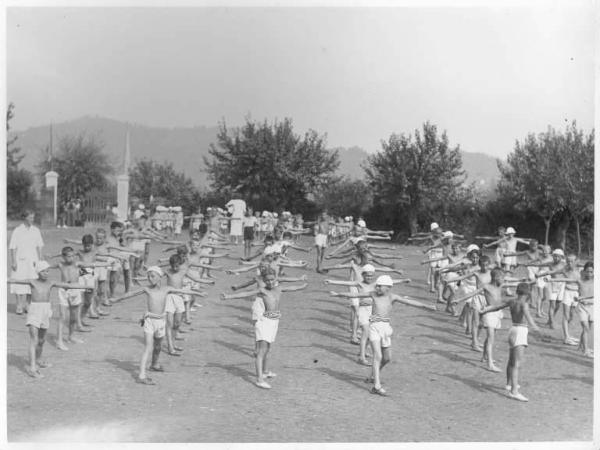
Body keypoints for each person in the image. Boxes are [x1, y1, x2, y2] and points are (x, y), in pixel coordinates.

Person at [330, 275, 435, 396]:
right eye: (377, 286)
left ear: (388, 287)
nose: (377, 288)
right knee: (377, 356)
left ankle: (372, 376)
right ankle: (377, 386)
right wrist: (338, 294)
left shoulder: (392, 297)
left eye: (380, 286)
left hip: (385, 328)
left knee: (387, 358)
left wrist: (427, 306)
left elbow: (409, 302)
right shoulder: (373, 294)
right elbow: (355, 295)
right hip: (374, 326)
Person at [112, 266, 205, 384]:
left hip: (161, 321)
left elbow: (183, 291)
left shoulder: (166, 289)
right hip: (150, 321)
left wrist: (198, 293)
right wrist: (115, 300)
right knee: (148, 347)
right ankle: (141, 376)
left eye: (153, 276)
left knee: (158, 347)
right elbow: (130, 294)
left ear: (160, 277)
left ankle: (154, 364)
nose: (150, 279)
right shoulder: (147, 289)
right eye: (148, 276)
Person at [221, 269, 307, 389]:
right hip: (264, 323)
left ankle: (265, 372)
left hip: (274, 322)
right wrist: (229, 296)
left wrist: (302, 286)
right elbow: (246, 293)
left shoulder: (279, 289)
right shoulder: (262, 290)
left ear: (276, 278)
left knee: (267, 349)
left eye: (272, 279)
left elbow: (292, 288)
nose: (270, 282)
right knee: (261, 352)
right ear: (264, 281)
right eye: (267, 280)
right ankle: (259, 379)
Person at [8, 261, 92, 378]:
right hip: (34, 311)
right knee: (34, 339)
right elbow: (13, 280)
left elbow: (67, 285)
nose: (46, 273)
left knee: (41, 340)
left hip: (46, 311)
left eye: (47, 271)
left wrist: (85, 286)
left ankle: (39, 360)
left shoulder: (51, 283)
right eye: (43, 271)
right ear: (38, 272)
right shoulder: (32, 282)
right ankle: (32, 368)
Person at [480, 282, 549, 402]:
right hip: (520, 331)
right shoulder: (524, 304)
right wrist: (539, 332)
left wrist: (484, 311)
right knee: (517, 363)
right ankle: (514, 391)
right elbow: (530, 320)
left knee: (511, 360)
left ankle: (509, 384)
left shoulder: (512, 301)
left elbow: (496, 307)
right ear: (528, 293)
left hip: (512, 330)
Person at [453, 268, 530, 372]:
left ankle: (484, 356)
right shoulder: (486, 287)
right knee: (490, 338)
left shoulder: (500, 286)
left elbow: (512, 282)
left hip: (498, 313)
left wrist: (522, 279)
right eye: (502, 278)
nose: (504, 280)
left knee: (490, 337)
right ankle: (489, 363)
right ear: (496, 278)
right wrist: (459, 300)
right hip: (489, 313)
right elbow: (473, 293)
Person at [9, 210, 44, 315]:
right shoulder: (17, 230)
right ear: (25, 218)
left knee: (32, 282)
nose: (32, 220)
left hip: (33, 260)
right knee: (19, 281)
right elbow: (12, 247)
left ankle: (28, 305)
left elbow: (40, 245)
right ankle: (19, 305)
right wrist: (14, 261)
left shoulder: (36, 230)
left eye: (33, 218)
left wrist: (40, 258)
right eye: (30, 217)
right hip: (20, 260)